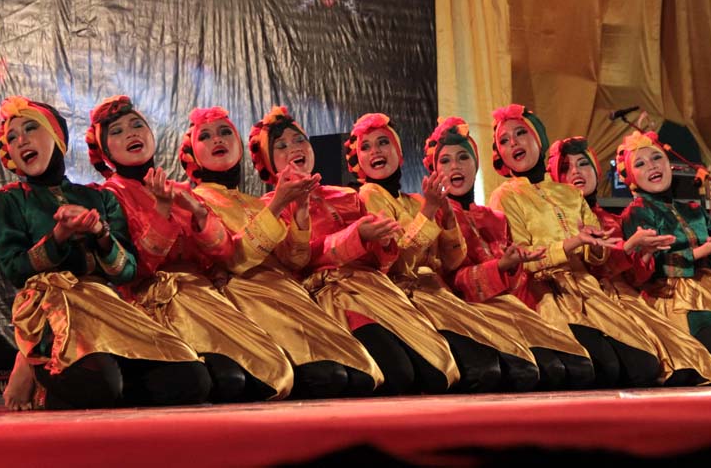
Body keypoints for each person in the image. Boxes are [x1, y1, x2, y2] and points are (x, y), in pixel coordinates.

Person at [0, 96, 210, 410]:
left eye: (30, 128)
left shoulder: (96, 196)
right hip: (52, 307)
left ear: (57, 137)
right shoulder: (8, 201)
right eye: (11, 138)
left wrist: (101, 235)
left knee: (192, 380)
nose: (21, 139)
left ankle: (111, 384)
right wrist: (58, 237)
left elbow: (127, 271)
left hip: (106, 304)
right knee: (100, 387)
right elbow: (14, 269)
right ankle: (41, 373)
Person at [86, 95, 293, 402]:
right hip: (156, 303)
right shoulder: (105, 197)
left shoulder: (181, 190)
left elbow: (223, 254)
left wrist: (198, 214)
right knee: (231, 381)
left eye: (136, 125)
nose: (131, 134)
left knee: (275, 374)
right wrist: (161, 211)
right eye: (116, 132)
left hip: (205, 297)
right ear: (104, 151)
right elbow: (132, 270)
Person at [248, 106, 459, 395]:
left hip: (378, 288)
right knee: (400, 376)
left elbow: (386, 261)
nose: (293, 148)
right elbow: (297, 263)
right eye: (280, 146)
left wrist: (381, 241)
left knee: (437, 374)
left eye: (298, 140)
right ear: (269, 163)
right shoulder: (268, 206)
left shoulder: (347, 195)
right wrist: (352, 234)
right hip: (335, 296)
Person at [178, 105, 383, 398]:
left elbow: (295, 259)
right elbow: (234, 260)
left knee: (362, 376)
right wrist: (279, 206)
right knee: (328, 377)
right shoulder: (195, 202)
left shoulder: (255, 202)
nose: (217, 140)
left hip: (291, 293)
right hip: (247, 296)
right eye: (205, 136)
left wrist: (300, 213)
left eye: (225, 132)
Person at [345, 113, 539, 392]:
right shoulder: (368, 196)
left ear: (399, 154)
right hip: (404, 297)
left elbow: (450, 260)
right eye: (366, 147)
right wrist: (430, 212)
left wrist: (446, 217)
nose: (375, 151)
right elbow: (397, 262)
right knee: (479, 371)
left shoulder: (417, 200)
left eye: (383, 142)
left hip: (441, 295)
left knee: (514, 369)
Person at [488, 104, 661, 388]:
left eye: (521, 133)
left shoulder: (568, 193)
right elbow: (524, 260)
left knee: (645, 366)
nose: (513, 143)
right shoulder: (505, 196)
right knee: (602, 370)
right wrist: (571, 244)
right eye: (504, 141)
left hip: (590, 289)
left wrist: (596, 243)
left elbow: (599, 256)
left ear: (538, 139)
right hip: (548, 293)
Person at [423, 117, 595, 390]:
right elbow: (450, 280)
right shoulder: (433, 213)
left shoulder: (493, 218)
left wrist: (513, 266)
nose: (455, 166)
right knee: (527, 373)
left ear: (475, 165)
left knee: (579, 369)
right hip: (467, 310)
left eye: (463, 158)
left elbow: (518, 275)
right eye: (444, 161)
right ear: (433, 170)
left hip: (512, 306)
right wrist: (501, 267)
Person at [549, 135, 711, 386]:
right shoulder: (555, 219)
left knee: (686, 363)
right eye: (565, 167)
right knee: (633, 369)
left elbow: (636, 277)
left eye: (583, 163)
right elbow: (593, 270)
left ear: (596, 169)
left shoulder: (612, 220)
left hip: (628, 300)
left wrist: (645, 253)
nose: (575, 171)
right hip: (581, 302)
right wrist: (627, 248)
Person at [617, 130, 711, 385]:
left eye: (656, 158)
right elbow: (650, 268)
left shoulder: (692, 209)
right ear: (631, 178)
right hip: (676, 299)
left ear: (669, 165)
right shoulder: (635, 213)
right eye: (640, 163)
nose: (652, 166)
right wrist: (702, 251)